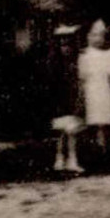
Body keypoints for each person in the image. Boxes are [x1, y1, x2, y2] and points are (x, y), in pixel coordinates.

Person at [77, 19, 110, 161]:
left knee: (105, 122)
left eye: (100, 36)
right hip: (91, 90)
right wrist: (81, 95)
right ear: (88, 37)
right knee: (93, 122)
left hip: (104, 90)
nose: (98, 39)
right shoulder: (84, 55)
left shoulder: (108, 55)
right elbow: (82, 78)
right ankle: (94, 154)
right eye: (94, 35)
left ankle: (106, 152)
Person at [49, 24, 85, 173]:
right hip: (59, 100)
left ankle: (72, 159)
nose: (66, 49)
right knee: (61, 132)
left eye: (68, 45)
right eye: (63, 45)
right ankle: (59, 159)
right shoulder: (54, 63)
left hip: (71, 99)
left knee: (72, 131)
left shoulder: (75, 62)